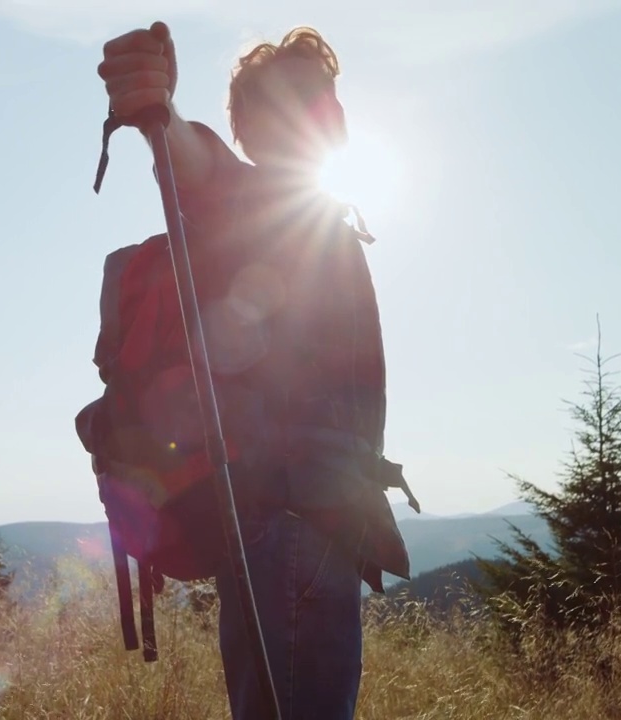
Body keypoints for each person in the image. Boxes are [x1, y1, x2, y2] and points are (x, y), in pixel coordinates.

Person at [96, 22, 413, 719]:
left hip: (279, 527)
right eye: (313, 99)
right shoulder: (266, 204)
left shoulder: (308, 213)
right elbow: (201, 172)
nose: (330, 111)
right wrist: (162, 116)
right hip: (296, 528)